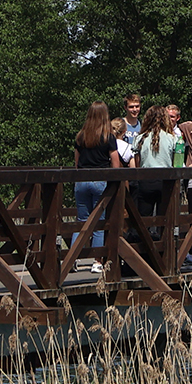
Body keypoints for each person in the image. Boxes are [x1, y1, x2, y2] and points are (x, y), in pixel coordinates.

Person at [72, 101, 123, 263]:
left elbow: (77, 162)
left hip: (82, 181)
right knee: (99, 223)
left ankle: (72, 259)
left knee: (81, 221)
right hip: (100, 181)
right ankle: (97, 260)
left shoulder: (81, 136)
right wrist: (115, 180)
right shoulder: (108, 137)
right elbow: (115, 161)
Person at [129, 105, 181, 234]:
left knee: (144, 220)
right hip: (166, 182)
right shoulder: (173, 138)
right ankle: (164, 250)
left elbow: (137, 164)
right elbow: (177, 163)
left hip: (146, 181)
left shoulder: (139, 138)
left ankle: (145, 250)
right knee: (165, 220)